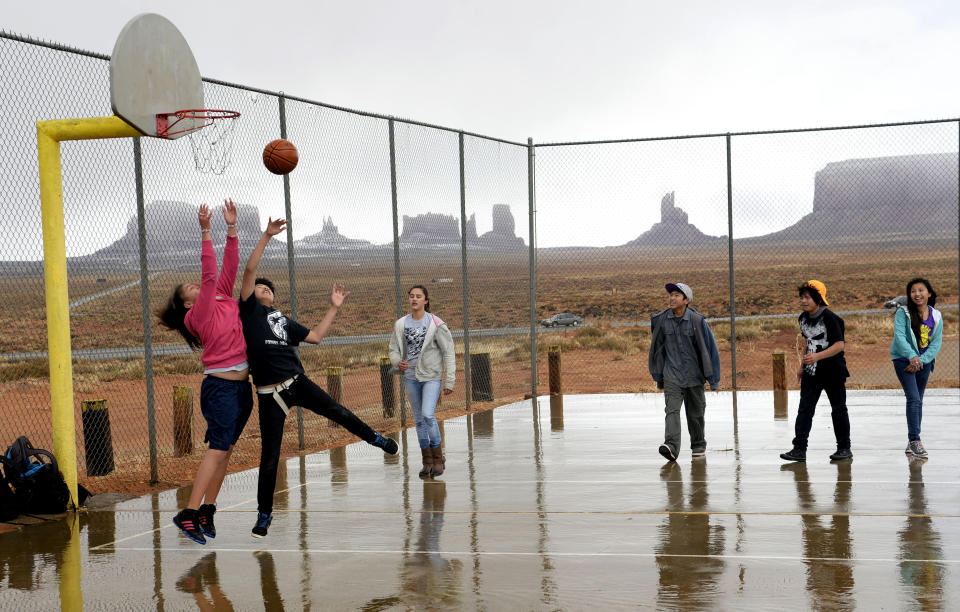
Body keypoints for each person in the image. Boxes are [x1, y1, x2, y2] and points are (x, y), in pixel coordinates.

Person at [239, 218, 399, 539]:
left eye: (269, 287)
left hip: (296, 382)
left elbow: (315, 337)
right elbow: (249, 271)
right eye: (260, 286)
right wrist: (267, 237)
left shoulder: (282, 320)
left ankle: (375, 439)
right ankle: (264, 515)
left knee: (338, 412)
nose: (264, 287)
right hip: (270, 395)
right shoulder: (248, 312)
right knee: (269, 457)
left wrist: (333, 308)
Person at [157, 200, 252, 544]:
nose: (199, 287)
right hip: (221, 390)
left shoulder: (224, 298)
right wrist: (206, 230)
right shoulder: (195, 316)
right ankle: (188, 512)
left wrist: (231, 229)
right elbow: (210, 273)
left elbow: (229, 267)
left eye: (197, 287)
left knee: (225, 451)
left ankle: (207, 510)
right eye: (192, 290)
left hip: (242, 390)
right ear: (186, 303)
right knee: (216, 450)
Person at [648, 282, 721, 462]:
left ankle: (698, 445)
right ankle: (671, 446)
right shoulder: (662, 320)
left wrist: (713, 380)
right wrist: (659, 376)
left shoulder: (697, 321)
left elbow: (710, 350)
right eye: (671, 295)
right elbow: (657, 348)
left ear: (686, 300)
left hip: (694, 376)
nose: (672, 298)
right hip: (671, 374)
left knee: (695, 414)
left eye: (676, 295)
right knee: (671, 410)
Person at [780, 280, 852, 463]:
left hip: (833, 371)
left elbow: (839, 345)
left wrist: (818, 357)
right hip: (812, 372)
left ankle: (844, 448)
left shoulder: (830, 318)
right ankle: (799, 449)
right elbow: (809, 343)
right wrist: (802, 367)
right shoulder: (802, 318)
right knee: (805, 409)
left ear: (818, 299)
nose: (804, 301)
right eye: (802, 297)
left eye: (808, 297)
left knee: (838, 409)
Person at [389, 285, 456, 478]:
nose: (414, 299)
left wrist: (449, 381)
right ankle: (427, 462)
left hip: (431, 377)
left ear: (426, 300)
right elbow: (393, 349)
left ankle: (438, 458)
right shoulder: (401, 324)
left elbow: (448, 352)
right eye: (411, 296)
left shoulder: (436, 323)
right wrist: (397, 362)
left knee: (428, 415)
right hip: (411, 377)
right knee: (418, 420)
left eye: (418, 296)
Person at [890, 278, 943, 459]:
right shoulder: (902, 313)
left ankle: (912, 441)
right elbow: (900, 337)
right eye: (913, 291)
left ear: (929, 293)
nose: (917, 294)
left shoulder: (936, 316)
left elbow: (936, 343)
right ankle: (914, 440)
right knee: (913, 398)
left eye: (921, 290)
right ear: (909, 295)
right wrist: (912, 358)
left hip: (924, 362)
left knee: (918, 400)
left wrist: (921, 360)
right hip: (904, 360)